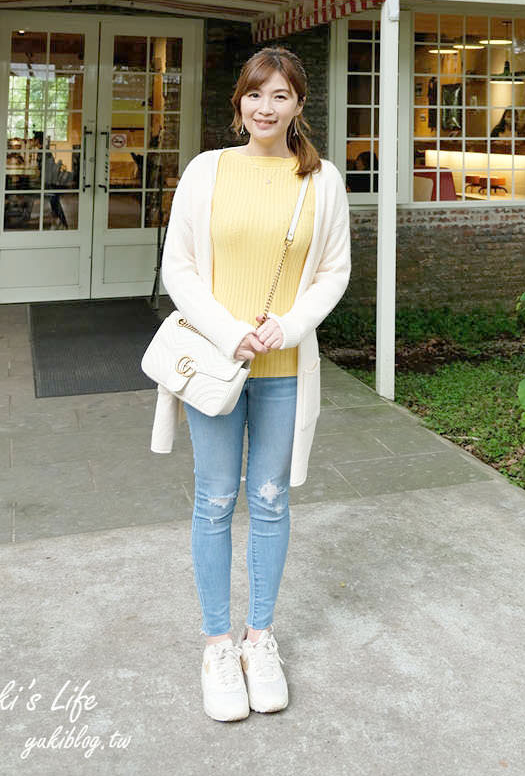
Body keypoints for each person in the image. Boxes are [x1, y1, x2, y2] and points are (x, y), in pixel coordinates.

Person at [149, 46, 350, 722]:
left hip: (283, 369)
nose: (266, 108)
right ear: (238, 103)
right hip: (216, 365)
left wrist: (288, 327)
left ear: (299, 107)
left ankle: (260, 639)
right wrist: (224, 328)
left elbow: (333, 273)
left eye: (281, 96)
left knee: (267, 500)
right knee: (213, 501)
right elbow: (178, 267)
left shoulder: (321, 181)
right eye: (255, 95)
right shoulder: (206, 172)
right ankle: (217, 643)